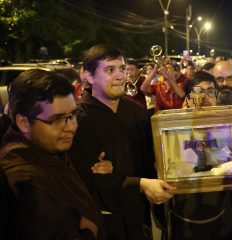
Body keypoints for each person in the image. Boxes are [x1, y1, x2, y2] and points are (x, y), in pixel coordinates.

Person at [69, 44, 174, 240]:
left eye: (122, 69)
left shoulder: (137, 112)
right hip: (103, 223)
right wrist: (141, 184)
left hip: (140, 216)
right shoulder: (77, 120)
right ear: (89, 76)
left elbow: (152, 160)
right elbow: (86, 181)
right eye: (110, 70)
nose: (121, 76)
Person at [0, 69, 102, 239]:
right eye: (56, 120)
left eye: (72, 116)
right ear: (24, 123)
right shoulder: (23, 179)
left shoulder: (47, 148)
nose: (70, 127)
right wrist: (89, 231)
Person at [169, 71, 232, 240]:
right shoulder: (172, 130)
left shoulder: (229, 127)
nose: (205, 97)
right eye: (198, 91)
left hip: (220, 217)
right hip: (185, 218)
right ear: (188, 98)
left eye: (210, 91)